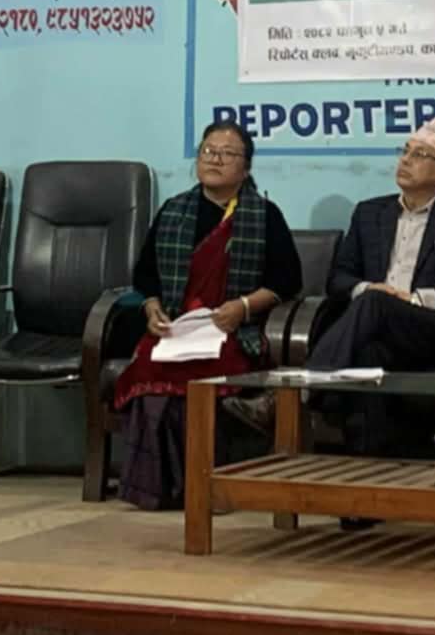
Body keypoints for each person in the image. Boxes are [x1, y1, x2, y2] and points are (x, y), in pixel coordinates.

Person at [226, 118, 435, 465]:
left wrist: (415, 298)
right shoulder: (369, 213)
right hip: (373, 327)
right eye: (405, 151)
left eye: (419, 155)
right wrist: (368, 288)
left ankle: (294, 394)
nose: (405, 160)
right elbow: (338, 279)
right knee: (369, 350)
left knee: (375, 303)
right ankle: (370, 476)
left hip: (432, 327)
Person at [113, 120, 302, 511]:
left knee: (204, 379)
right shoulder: (173, 211)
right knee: (150, 375)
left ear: (246, 168)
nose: (215, 159)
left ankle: (208, 487)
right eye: (208, 151)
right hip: (175, 329)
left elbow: (287, 281)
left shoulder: (263, 215)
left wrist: (243, 307)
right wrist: (152, 308)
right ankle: (158, 490)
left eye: (228, 154)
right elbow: (145, 276)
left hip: (233, 330)